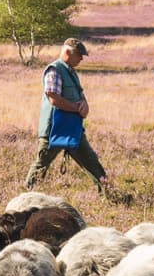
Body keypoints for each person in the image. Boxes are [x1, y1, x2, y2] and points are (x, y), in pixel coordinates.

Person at [23, 37, 116, 197]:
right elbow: (53, 98)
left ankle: (109, 195)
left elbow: (80, 95)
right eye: (79, 54)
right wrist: (76, 108)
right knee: (40, 166)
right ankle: (26, 199)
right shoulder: (54, 70)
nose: (81, 58)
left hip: (72, 128)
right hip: (54, 130)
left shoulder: (71, 72)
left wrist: (85, 106)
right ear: (67, 52)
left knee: (91, 161)